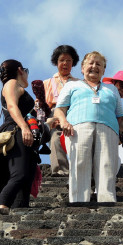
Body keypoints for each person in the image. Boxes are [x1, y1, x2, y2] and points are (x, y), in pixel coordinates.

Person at [54, 51, 123, 203]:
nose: (94, 66)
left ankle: (107, 201)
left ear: (104, 70)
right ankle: (78, 201)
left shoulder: (111, 90)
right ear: (82, 68)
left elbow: (121, 119)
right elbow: (59, 109)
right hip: (79, 128)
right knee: (80, 164)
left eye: (99, 64)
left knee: (107, 166)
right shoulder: (72, 85)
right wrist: (64, 122)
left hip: (108, 130)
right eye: (90, 63)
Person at [0, 60, 38, 209]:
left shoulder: (16, 86)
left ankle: (19, 210)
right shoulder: (12, 83)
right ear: (20, 70)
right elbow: (11, 106)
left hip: (23, 132)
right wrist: (24, 127)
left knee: (26, 179)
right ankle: (1, 207)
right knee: (19, 174)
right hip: (17, 131)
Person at [43, 45, 80, 177]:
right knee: (55, 138)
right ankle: (60, 170)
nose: (65, 63)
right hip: (54, 114)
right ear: (56, 62)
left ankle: (81, 170)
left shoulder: (79, 83)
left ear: (73, 63)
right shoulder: (46, 83)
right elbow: (42, 106)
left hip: (75, 112)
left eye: (69, 60)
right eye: (62, 60)